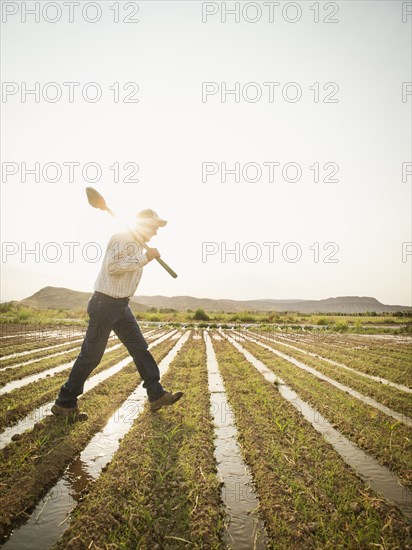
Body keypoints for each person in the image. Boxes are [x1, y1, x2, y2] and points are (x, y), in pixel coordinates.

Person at [51, 208, 183, 419]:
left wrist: (143, 255)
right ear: (144, 224)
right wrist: (144, 258)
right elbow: (113, 267)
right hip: (104, 304)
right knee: (91, 356)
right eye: (154, 227)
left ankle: (156, 394)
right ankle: (64, 403)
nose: (156, 232)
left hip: (121, 306)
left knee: (140, 348)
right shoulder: (121, 238)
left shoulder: (138, 245)